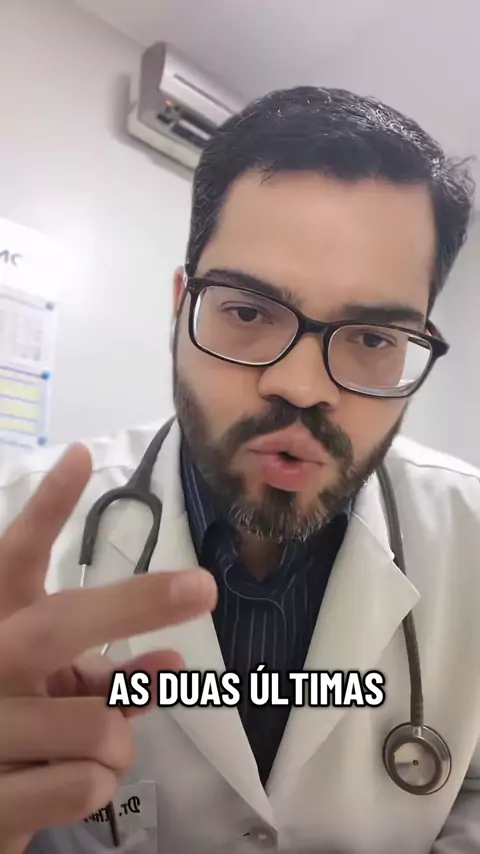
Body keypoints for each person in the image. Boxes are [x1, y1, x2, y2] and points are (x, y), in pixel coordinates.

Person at [0, 85, 479, 854]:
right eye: (249, 312)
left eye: (372, 339)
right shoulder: (15, 530)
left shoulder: (470, 537)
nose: (302, 385)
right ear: (180, 309)